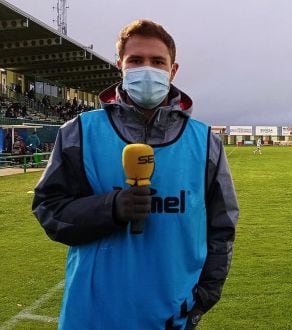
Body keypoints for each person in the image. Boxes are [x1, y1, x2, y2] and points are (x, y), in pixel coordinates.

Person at [32, 19, 239, 329]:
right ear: (121, 66)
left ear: (173, 70)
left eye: (157, 61)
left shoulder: (206, 142)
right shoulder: (78, 133)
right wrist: (110, 208)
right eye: (136, 60)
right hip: (91, 315)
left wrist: (204, 297)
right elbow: (49, 210)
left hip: (171, 317)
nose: (147, 68)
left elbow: (221, 228)